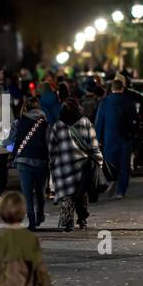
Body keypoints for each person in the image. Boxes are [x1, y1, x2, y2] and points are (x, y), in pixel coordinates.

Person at [49, 97, 103, 232]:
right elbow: (93, 144)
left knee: (66, 194)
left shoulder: (58, 125)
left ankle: (67, 223)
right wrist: (99, 161)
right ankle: (82, 219)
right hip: (82, 165)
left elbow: (52, 148)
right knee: (81, 193)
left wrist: (52, 164)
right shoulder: (85, 122)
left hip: (63, 166)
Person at [8, 96, 50, 230]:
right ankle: (40, 215)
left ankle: (31, 222)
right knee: (40, 191)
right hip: (42, 160)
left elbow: (8, 142)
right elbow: (49, 141)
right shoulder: (46, 123)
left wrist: (16, 149)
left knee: (27, 193)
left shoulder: (17, 122)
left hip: (23, 162)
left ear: (25, 107)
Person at [95, 77, 137, 198]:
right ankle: (121, 191)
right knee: (124, 166)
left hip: (110, 139)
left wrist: (98, 139)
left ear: (112, 89)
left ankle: (111, 185)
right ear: (122, 88)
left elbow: (99, 123)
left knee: (110, 164)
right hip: (125, 139)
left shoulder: (104, 102)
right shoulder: (129, 101)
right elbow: (134, 120)